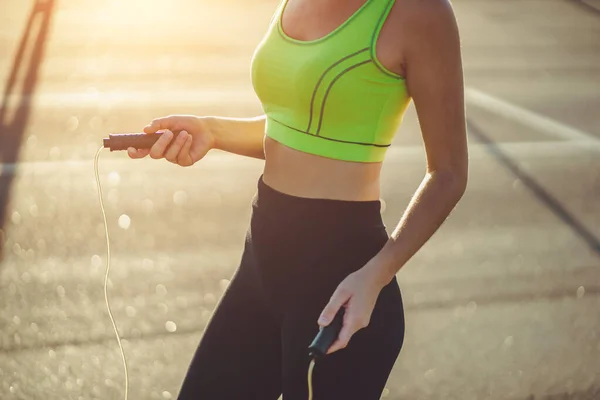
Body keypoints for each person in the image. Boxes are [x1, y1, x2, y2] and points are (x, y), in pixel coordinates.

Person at [128, 0, 467, 398]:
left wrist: (377, 274)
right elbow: (294, 130)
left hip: (343, 288)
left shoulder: (419, 13)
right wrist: (211, 131)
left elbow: (448, 174)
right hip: (261, 266)